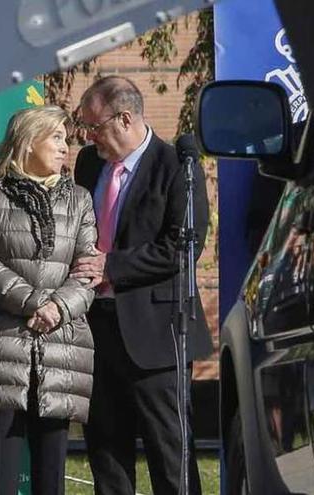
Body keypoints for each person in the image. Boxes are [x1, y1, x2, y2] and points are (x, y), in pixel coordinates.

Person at [71, 75, 212, 494]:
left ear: (125, 118)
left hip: (156, 333)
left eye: (94, 127)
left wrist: (111, 266)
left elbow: (180, 248)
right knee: (106, 451)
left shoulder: (177, 167)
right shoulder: (88, 163)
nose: (89, 136)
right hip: (98, 327)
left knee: (169, 451)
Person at [0, 106, 97, 495]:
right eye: (56, 137)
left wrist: (57, 309)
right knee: (2, 476)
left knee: (50, 478)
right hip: (1, 345)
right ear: (28, 140)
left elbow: (89, 271)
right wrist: (36, 303)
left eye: (66, 139)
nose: (65, 147)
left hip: (62, 349)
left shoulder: (80, 200)